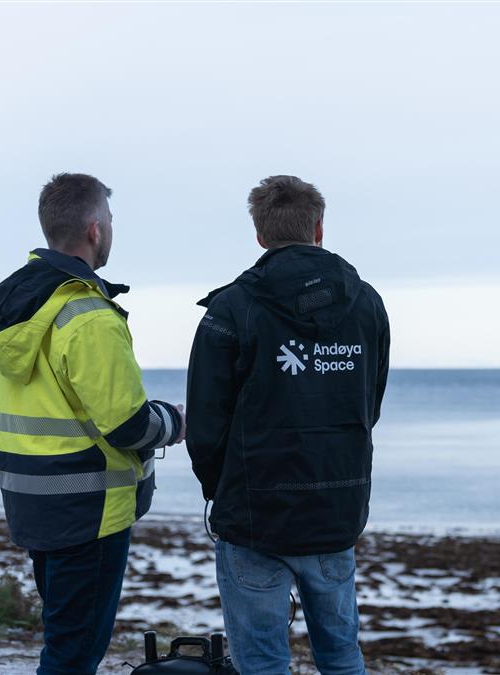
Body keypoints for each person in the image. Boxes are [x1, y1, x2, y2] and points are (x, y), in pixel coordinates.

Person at [0, 172, 185, 674]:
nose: (111, 228)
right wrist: (174, 422)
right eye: (110, 219)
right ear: (95, 229)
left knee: (63, 640)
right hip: (89, 512)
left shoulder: (1, 305)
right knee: (75, 655)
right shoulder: (88, 315)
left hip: (31, 504)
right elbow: (128, 425)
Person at [186, 175, 390, 674]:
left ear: (259, 235)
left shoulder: (232, 308)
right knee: (341, 654)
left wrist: (223, 491)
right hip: (334, 508)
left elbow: (205, 424)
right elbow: (368, 407)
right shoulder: (367, 303)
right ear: (319, 228)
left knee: (262, 662)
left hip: (255, 512)